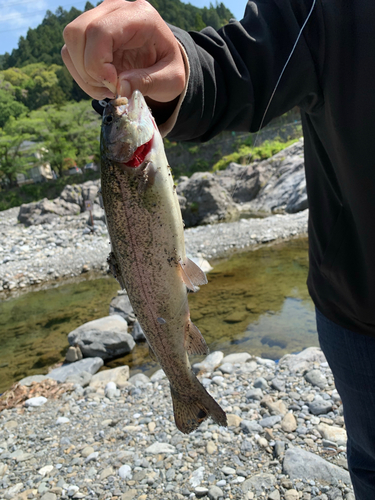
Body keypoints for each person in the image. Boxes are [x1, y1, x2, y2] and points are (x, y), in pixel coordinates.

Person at [62, 0, 375, 497]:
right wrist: (178, 64)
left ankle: (182, 384)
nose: (117, 115)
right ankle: (183, 385)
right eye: (111, 120)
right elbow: (244, 64)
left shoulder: (136, 155)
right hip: (359, 313)